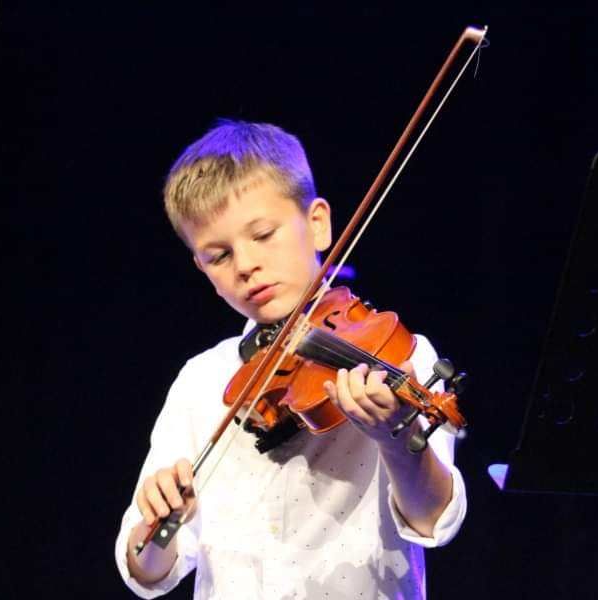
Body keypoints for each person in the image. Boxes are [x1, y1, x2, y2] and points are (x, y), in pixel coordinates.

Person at [114, 120, 467, 599]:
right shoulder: (202, 381)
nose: (245, 266)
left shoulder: (395, 353)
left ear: (317, 224)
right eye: (219, 256)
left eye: (263, 235)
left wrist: (397, 436)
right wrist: (161, 524)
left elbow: (433, 520)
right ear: (201, 268)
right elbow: (147, 571)